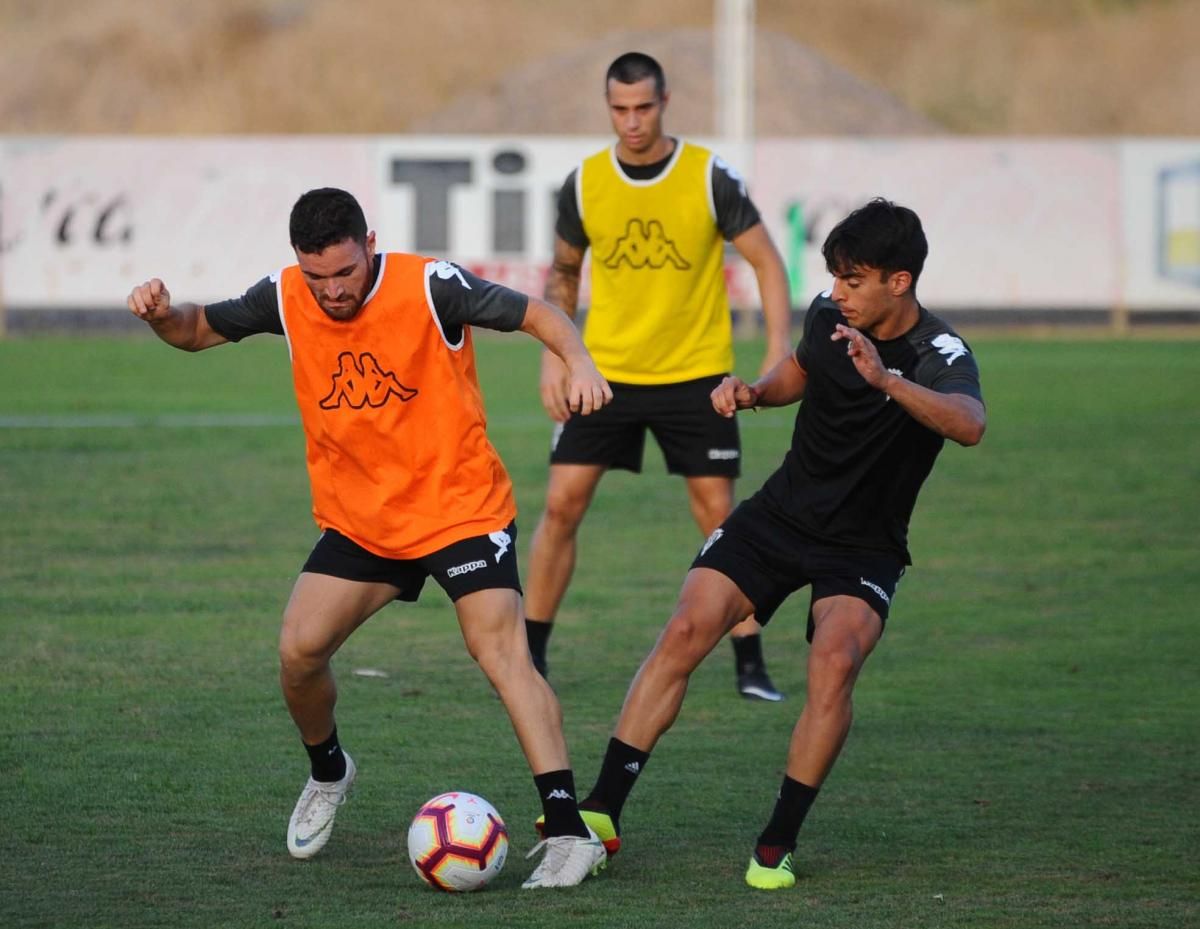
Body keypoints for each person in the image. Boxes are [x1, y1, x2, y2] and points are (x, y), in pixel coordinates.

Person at [127, 187, 613, 890]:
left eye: (345, 272)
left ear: (371, 244)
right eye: (317, 275)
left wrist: (580, 361)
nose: (331, 290)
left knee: (500, 649)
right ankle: (330, 771)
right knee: (298, 651)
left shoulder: (429, 285)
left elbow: (537, 312)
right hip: (363, 522)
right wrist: (161, 314)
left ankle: (569, 831)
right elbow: (197, 328)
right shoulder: (286, 294)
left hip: (459, 508)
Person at [567, 199, 986, 888]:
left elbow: (970, 424)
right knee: (686, 626)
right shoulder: (831, 314)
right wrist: (757, 392)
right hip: (779, 516)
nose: (839, 290)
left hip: (864, 546)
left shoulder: (938, 353)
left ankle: (776, 842)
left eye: (856, 279)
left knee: (835, 658)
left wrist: (889, 381)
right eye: (837, 277)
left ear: (900, 282)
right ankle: (603, 811)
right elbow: (801, 368)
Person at [525, 51, 793, 701]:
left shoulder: (707, 177)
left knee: (720, 517)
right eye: (620, 109)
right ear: (608, 107)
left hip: (695, 376)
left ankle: (749, 660)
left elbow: (767, 262)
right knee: (561, 505)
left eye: (643, 107)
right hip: (605, 374)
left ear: (665, 101)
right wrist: (554, 357)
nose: (632, 121)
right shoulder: (585, 182)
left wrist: (779, 350)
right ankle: (527, 653)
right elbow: (562, 275)